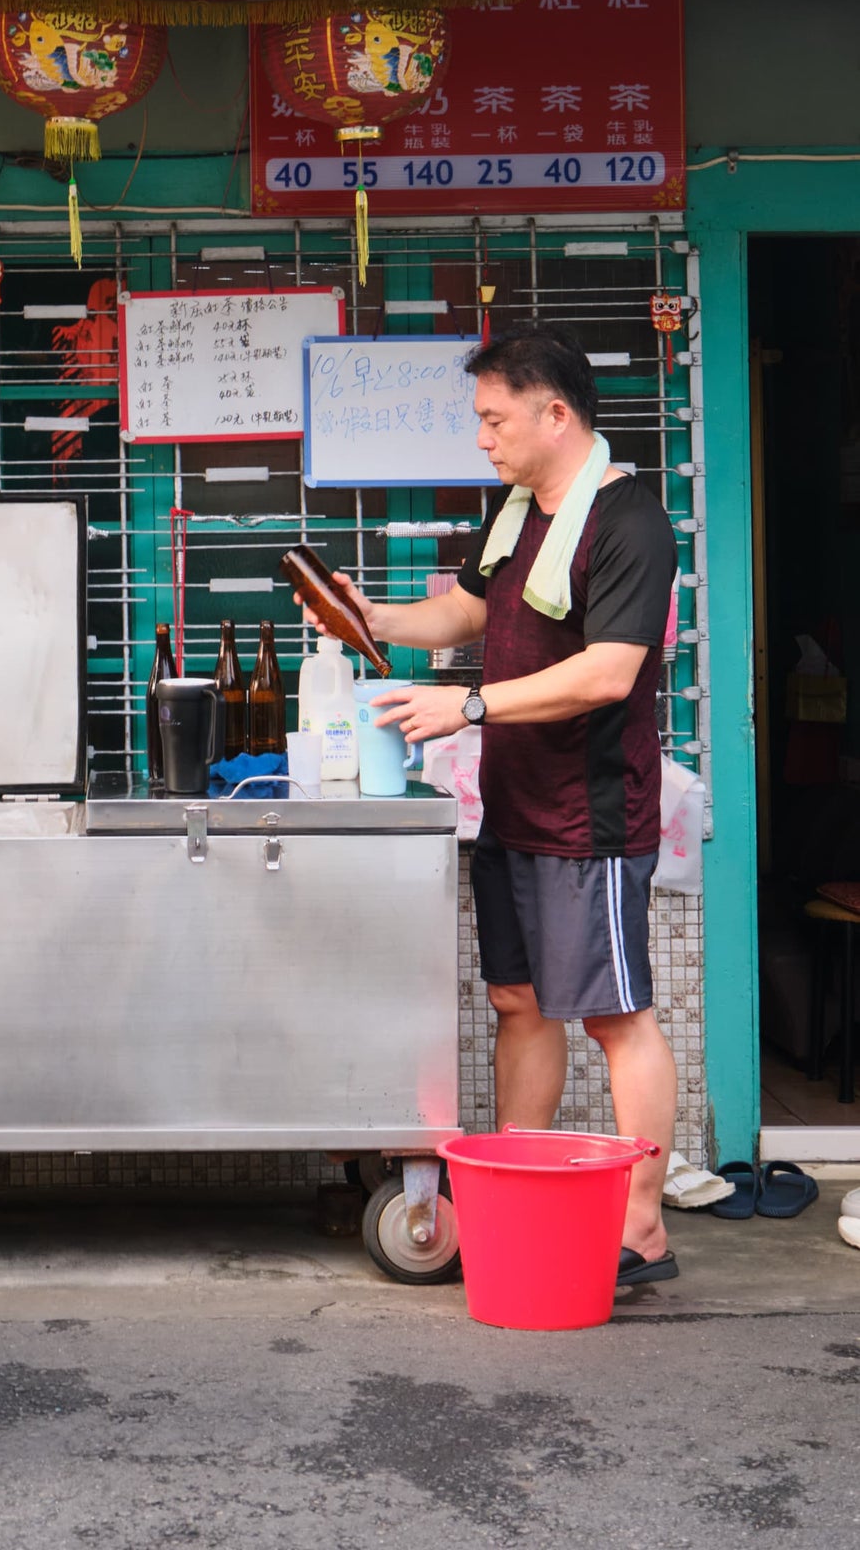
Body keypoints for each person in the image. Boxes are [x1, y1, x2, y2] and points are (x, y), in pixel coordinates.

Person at [305, 327, 679, 1286]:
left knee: (616, 1016)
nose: (481, 437)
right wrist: (375, 618)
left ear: (555, 414)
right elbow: (469, 612)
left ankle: (641, 1226)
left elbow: (605, 673)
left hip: (590, 815)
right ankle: (522, 1183)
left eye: (492, 417)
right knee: (519, 1002)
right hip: (515, 804)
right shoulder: (518, 512)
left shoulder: (626, 519)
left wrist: (465, 704)